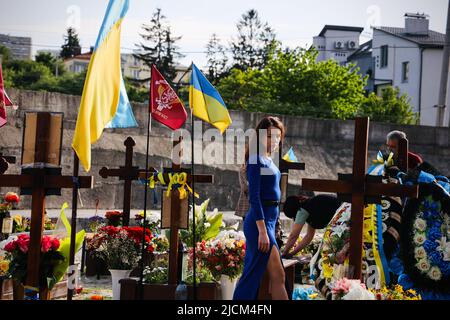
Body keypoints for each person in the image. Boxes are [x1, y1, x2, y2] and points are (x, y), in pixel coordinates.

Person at [233, 116, 289, 300]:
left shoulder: (268, 160)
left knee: (277, 276)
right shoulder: (256, 160)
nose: (274, 142)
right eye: (270, 136)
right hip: (260, 224)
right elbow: (255, 197)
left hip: (270, 222)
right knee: (253, 275)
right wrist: (263, 231)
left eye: (278, 138)